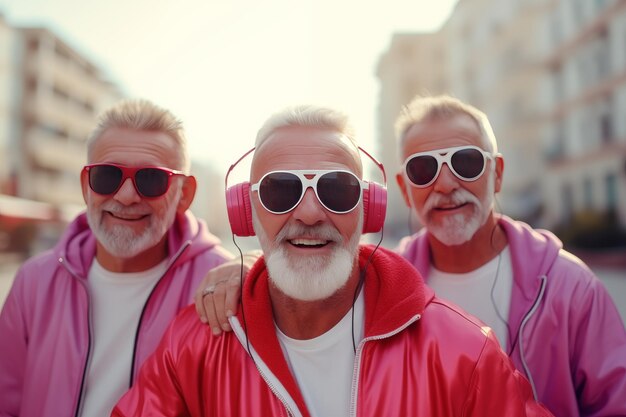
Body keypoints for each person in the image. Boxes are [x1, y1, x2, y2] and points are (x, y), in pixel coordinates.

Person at [195, 95, 626, 417]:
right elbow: (312, 253)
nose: (444, 183)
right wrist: (251, 267)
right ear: (401, 192)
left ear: (497, 173)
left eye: (466, 162)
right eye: (424, 169)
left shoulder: (570, 286)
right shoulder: (385, 286)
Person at [113, 104, 552, 416]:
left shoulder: (464, 351)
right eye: (280, 191)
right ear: (246, 212)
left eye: (336, 190)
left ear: (369, 210)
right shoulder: (191, 346)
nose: (308, 214)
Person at [0, 99, 233, 417]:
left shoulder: (220, 286)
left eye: (151, 179)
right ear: (86, 186)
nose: (125, 196)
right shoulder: (34, 281)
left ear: (184, 194)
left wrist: (254, 268)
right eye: (107, 176)